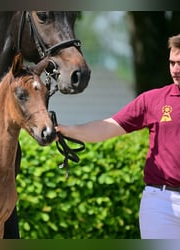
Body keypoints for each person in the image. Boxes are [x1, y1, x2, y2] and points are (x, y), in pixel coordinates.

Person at [56, 34, 180, 239]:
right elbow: (108, 127)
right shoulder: (153, 100)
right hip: (160, 203)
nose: (175, 69)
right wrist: (67, 130)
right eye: (172, 63)